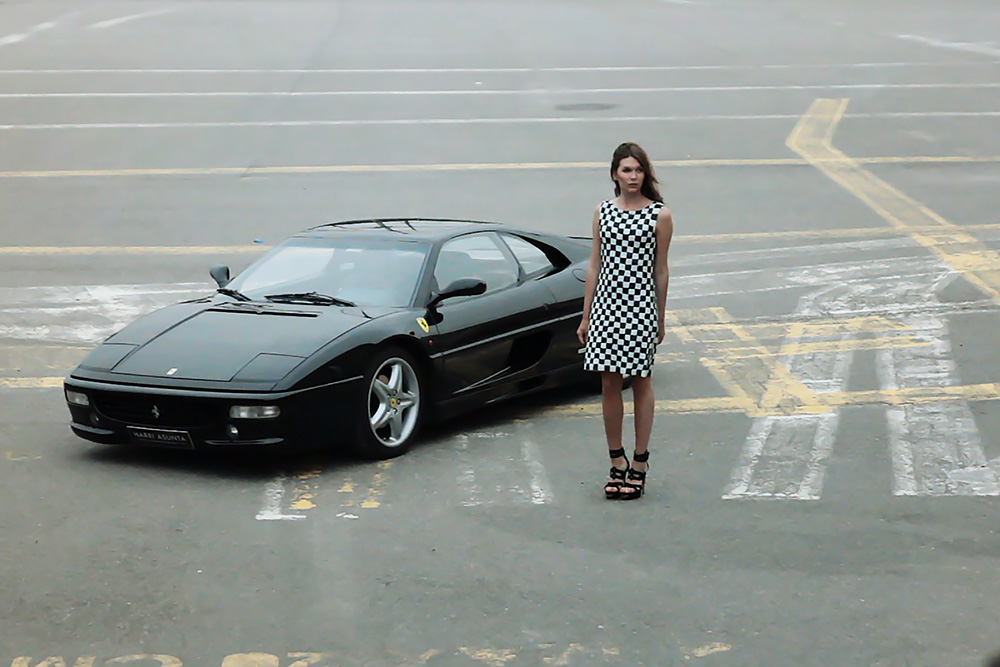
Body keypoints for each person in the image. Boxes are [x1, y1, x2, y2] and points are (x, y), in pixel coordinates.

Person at [577, 142, 673, 500]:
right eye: (626, 170)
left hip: (639, 307)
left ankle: (640, 462)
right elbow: (594, 265)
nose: (633, 177)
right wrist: (586, 315)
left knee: (641, 382)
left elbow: (661, 270)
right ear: (614, 174)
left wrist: (659, 317)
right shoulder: (603, 212)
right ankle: (616, 461)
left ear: (645, 174)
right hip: (606, 308)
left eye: (638, 170)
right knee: (609, 383)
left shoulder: (659, 215)